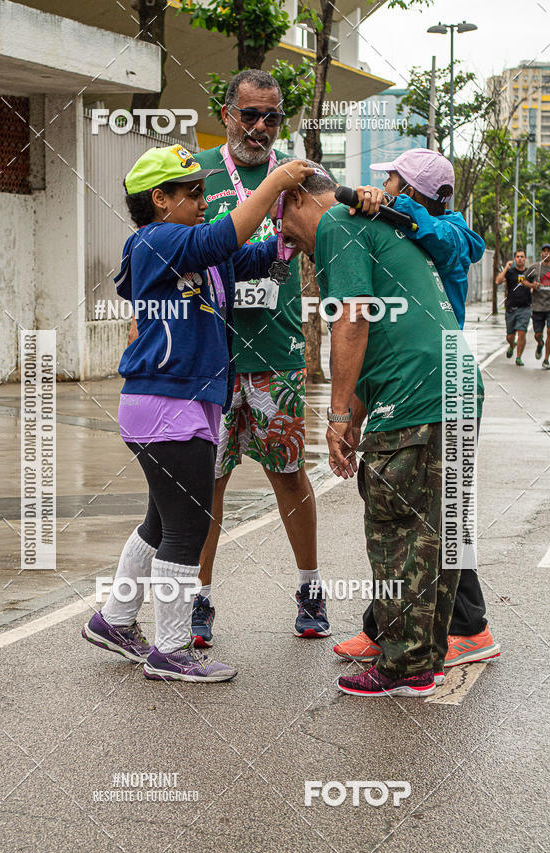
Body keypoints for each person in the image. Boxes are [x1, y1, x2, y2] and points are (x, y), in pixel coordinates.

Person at [82, 143, 313, 682]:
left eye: (204, 192)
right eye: (192, 193)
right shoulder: (155, 240)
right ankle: (171, 650)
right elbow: (221, 238)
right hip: (168, 402)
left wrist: (287, 236)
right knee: (189, 527)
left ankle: (115, 619)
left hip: (180, 402)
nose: (204, 202)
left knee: (161, 522)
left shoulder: (193, 249)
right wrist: (274, 182)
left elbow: (246, 255)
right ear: (159, 199)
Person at [273, 161, 484, 697]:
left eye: (282, 222)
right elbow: (381, 340)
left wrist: (337, 416)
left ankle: (403, 666)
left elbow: (352, 320)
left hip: (417, 395)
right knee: (434, 533)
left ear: (299, 199)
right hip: (455, 387)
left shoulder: (337, 225)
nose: (284, 239)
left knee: (395, 531)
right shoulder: (376, 224)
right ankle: (424, 661)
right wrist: (354, 420)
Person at [332, 148, 500, 669]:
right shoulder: (409, 227)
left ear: (411, 192)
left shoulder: (447, 232)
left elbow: (452, 238)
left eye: (392, 181)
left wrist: (395, 208)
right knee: (428, 517)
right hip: (425, 378)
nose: (383, 186)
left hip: (440, 381)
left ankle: (469, 627)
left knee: (436, 517)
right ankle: (383, 626)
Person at [191, 70, 328, 644]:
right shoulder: (197, 173)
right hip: (211, 359)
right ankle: (198, 599)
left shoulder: (301, 176)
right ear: (227, 114)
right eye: (249, 114)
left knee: (289, 475)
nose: (260, 127)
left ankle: (311, 589)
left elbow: (333, 236)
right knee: (207, 484)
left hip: (278, 354)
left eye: (272, 116)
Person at [496, 249, 533, 366]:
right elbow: (498, 281)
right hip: (511, 308)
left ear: (525, 259)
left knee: (522, 332)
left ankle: (518, 357)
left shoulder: (529, 272)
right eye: (518, 257)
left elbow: (534, 286)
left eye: (522, 257)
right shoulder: (510, 272)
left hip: (525, 308)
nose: (520, 259)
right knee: (510, 336)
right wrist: (506, 267)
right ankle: (512, 345)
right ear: (514, 259)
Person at [526, 242, 550, 369]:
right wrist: (532, 285)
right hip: (537, 307)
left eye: (548, 251)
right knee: (538, 334)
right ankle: (540, 344)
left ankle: (546, 359)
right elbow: (522, 279)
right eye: (544, 251)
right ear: (541, 253)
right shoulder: (535, 267)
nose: (546, 253)